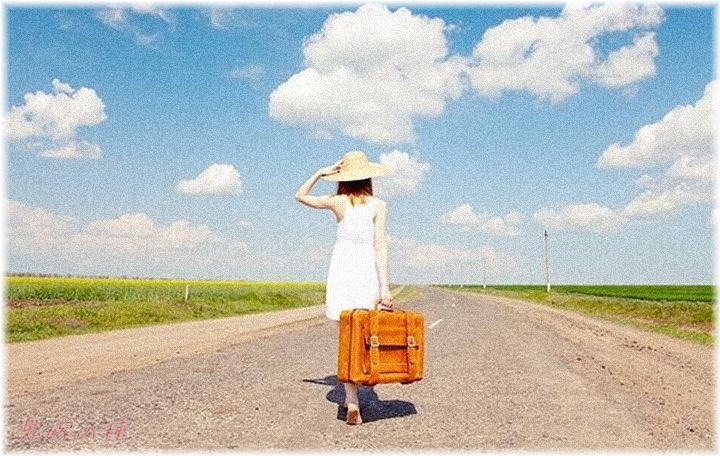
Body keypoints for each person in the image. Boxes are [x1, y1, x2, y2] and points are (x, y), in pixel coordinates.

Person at [295, 150, 394, 425]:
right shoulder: (378, 205)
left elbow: (300, 196)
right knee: (365, 333)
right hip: (365, 271)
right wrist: (385, 287)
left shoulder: (337, 202)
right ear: (368, 178)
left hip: (341, 271)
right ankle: (365, 377)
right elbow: (380, 246)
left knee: (347, 336)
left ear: (343, 178)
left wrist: (320, 172)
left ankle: (352, 402)